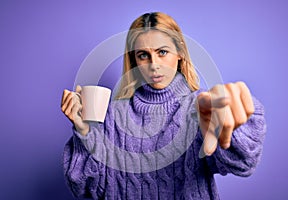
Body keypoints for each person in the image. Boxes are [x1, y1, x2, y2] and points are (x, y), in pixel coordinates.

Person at [61, 12, 266, 199]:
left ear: (180, 54)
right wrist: (84, 133)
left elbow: (244, 164)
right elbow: (86, 188)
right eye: (143, 55)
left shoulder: (202, 109)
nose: (154, 64)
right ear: (134, 61)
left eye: (162, 52)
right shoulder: (113, 116)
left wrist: (237, 121)